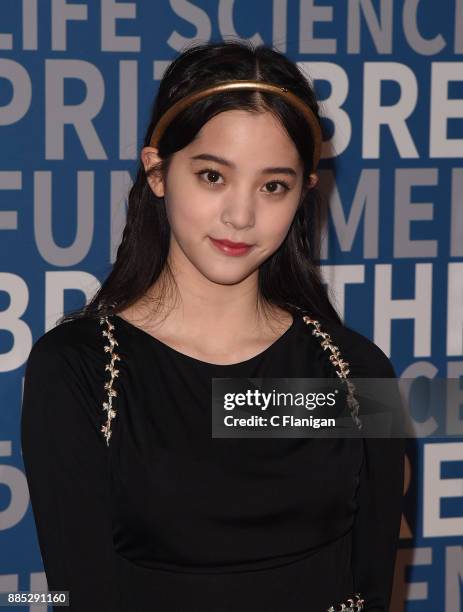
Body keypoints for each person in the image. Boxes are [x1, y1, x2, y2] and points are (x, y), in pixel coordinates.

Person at [21, 40, 405, 612]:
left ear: (304, 194)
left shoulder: (356, 370)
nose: (241, 216)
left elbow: (373, 587)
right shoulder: (78, 370)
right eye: (212, 176)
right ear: (157, 171)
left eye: (273, 185)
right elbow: (79, 594)